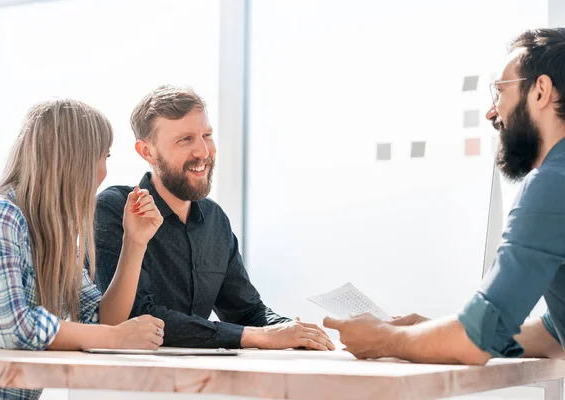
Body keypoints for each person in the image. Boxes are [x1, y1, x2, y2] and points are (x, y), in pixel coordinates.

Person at [324, 28, 565, 364]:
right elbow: (557, 334)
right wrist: (429, 332)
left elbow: (477, 341)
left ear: (540, 92)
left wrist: (387, 339)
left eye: (500, 91)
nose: (492, 112)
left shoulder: (552, 183)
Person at [94, 86, 334, 350]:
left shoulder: (215, 219)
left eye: (206, 135)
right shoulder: (116, 208)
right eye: (185, 139)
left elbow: (247, 312)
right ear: (147, 152)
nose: (203, 152)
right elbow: (140, 318)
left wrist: (293, 331)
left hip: (199, 385)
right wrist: (256, 336)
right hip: (126, 384)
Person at [0, 99, 165, 399]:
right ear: (75, 159)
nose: (104, 171)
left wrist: (134, 243)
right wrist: (116, 338)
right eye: (103, 156)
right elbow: (14, 329)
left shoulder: (53, 234)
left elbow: (101, 319)